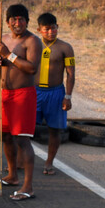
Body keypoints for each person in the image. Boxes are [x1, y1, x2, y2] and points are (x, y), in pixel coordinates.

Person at [0, 3, 43, 201]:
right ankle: (12, 175)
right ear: (7, 22)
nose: (17, 23)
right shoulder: (3, 39)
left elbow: (31, 68)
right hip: (5, 93)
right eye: (13, 20)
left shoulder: (33, 41)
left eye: (21, 19)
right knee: (5, 136)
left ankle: (28, 186)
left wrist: (8, 55)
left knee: (22, 139)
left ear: (27, 22)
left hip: (23, 95)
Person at [36, 12, 75, 176]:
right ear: (39, 30)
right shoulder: (33, 45)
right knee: (26, 128)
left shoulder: (65, 48)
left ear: (57, 28)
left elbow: (71, 74)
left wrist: (68, 96)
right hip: (35, 92)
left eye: (54, 28)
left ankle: (49, 162)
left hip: (56, 93)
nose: (51, 32)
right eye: (47, 29)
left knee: (55, 130)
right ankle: (21, 160)